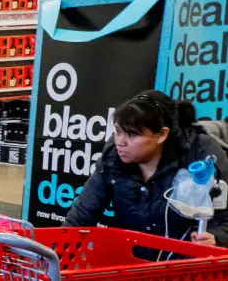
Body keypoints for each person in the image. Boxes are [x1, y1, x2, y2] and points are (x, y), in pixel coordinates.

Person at [65, 90, 228, 246]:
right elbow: (80, 217)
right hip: (130, 262)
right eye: (117, 131)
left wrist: (216, 239)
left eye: (131, 135)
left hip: (185, 266)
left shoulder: (202, 153)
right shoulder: (113, 156)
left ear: (162, 135)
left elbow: (224, 218)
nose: (120, 141)